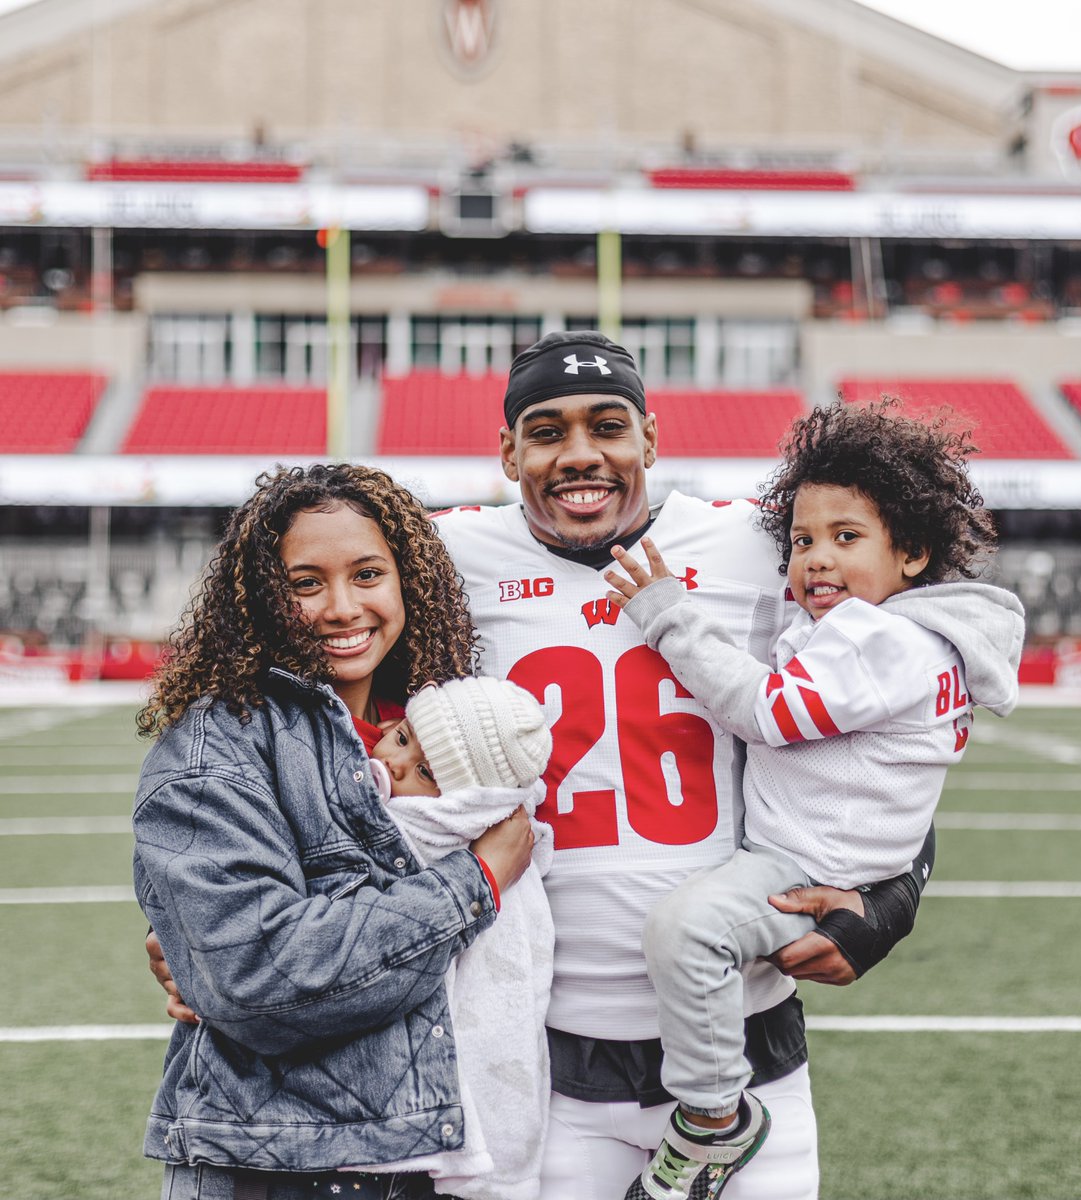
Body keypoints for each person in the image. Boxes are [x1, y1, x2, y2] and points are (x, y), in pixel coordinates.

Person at [149, 334, 937, 1200]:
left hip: (746, 1041)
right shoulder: (445, 561)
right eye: (546, 431)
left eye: (607, 427)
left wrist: (895, 896)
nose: (580, 455)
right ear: (506, 451)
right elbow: (323, 716)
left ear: (650, 438)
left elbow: (889, 718)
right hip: (545, 1056)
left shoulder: (760, 546)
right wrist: (197, 931)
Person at [604, 400, 1025, 1200]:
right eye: (801, 541)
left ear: (911, 554)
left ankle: (710, 1119)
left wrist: (668, 618)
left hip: (807, 868)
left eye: (845, 537)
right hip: (840, 860)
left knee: (684, 932)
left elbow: (767, 712)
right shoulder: (899, 630)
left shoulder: (885, 638)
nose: (815, 560)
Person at [133, 462, 536, 1200]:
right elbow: (260, 976)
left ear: (407, 582)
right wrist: (473, 883)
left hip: (437, 1152)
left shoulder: (443, 737)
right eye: (305, 583)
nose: (342, 607)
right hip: (281, 1163)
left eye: (367, 575)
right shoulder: (215, 744)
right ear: (260, 596)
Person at [367, 675, 556, 1200]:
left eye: (426, 772)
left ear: (467, 802)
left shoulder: (432, 833)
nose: (395, 764)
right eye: (401, 737)